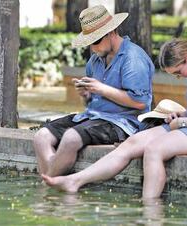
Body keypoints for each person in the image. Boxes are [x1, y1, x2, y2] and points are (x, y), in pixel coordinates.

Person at [42, 39, 187, 199]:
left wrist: (184, 122)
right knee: (132, 143)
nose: (179, 77)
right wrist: (182, 115)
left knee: (154, 150)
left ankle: (149, 211)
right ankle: (75, 180)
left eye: (178, 72)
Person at [33, 5, 154, 177]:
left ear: (112, 32)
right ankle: (53, 185)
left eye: (96, 41)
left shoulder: (133, 59)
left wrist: (102, 89)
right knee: (41, 137)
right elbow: (91, 103)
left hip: (122, 123)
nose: (93, 48)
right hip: (93, 117)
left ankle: (47, 188)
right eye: (90, 43)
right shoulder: (95, 60)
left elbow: (140, 102)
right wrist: (87, 95)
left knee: (70, 138)